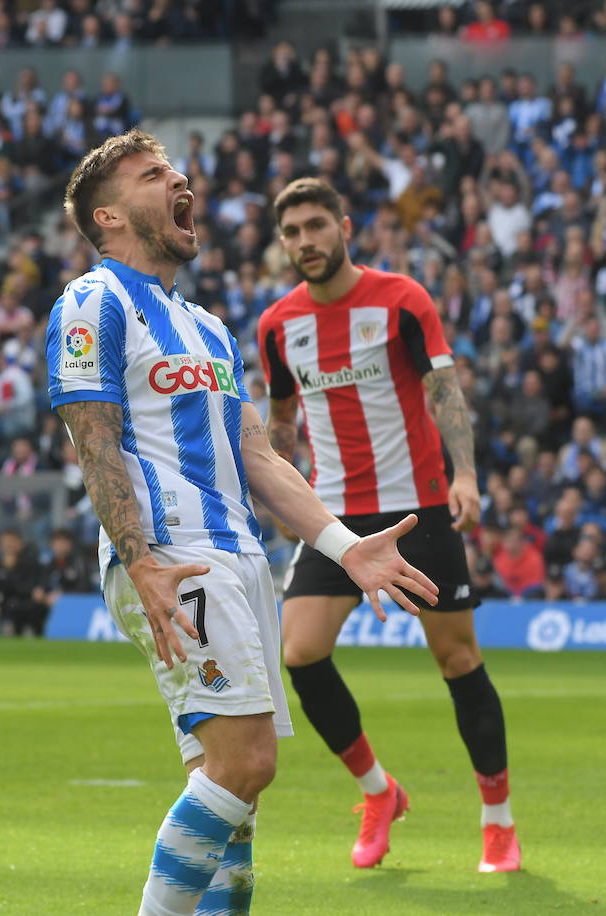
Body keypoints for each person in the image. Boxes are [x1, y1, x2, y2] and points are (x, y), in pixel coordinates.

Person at [47, 131, 438, 916]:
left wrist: (341, 544)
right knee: (244, 762)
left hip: (239, 560)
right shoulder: (94, 301)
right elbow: (93, 441)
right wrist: (142, 559)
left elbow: (258, 458)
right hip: (175, 556)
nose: (180, 179)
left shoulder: (206, 326)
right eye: (154, 174)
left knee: (234, 793)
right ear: (110, 215)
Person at [257, 176, 520, 874]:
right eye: (292, 232)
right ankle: (378, 792)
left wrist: (464, 476)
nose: (305, 242)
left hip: (418, 506)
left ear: (344, 225)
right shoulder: (278, 325)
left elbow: (444, 391)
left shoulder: (403, 299)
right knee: (300, 653)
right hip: (335, 513)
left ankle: (498, 820)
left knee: (457, 659)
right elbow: (281, 420)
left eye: (316, 225)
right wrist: (284, 496)